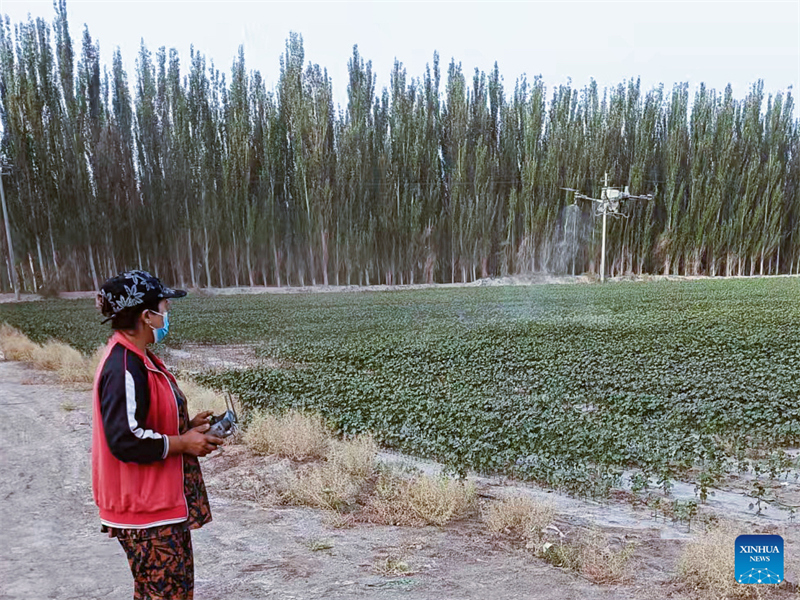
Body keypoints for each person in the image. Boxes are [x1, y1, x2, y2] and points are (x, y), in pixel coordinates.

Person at [92, 270, 223, 599]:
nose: (167, 312)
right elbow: (124, 439)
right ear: (146, 316)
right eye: (164, 305)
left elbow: (145, 420)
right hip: (145, 514)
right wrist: (183, 442)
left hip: (157, 508)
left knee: (169, 593)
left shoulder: (140, 358)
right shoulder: (123, 366)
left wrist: (188, 426)